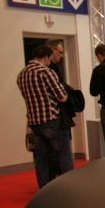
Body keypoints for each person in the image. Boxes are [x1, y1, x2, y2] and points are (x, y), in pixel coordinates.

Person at [17, 44, 71, 188]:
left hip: (34, 123)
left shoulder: (22, 74)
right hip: (52, 121)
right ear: (46, 57)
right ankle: (66, 188)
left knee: (41, 159)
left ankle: (45, 190)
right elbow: (62, 97)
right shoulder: (45, 72)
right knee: (61, 157)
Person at [45, 39, 85, 175]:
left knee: (53, 155)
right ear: (51, 51)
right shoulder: (49, 72)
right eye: (60, 52)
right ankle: (67, 180)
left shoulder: (48, 70)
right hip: (58, 118)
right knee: (63, 153)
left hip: (51, 119)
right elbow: (61, 96)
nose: (62, 56)